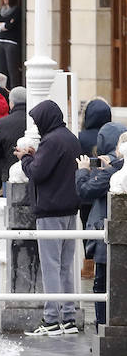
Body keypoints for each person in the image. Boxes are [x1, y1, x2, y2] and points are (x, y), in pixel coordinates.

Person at [15, 100, 83, 336]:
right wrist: (36, 155)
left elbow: (37, 172)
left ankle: (51, 319)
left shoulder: (51, 140)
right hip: (70, 210)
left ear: (45, 118)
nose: (36, 126)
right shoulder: (70, 138)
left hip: (50, 211)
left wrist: (25, 158)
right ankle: (69, 318)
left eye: (37, 121)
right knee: (65, 267)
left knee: (51, 266)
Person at [76, 123, 127, 325]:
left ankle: (102, 325)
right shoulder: (112, 168)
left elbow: (85, 191)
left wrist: (84, 171)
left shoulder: (112, 171)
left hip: (105, 232)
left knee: (102, 283)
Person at [78, 98, 116, 277]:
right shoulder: (113, 135)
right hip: (106, 190)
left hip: (87, 190)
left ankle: (88, 265)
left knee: (88, 226)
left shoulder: (81, 137)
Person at [0, 86, 28, 192]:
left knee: (9, 206)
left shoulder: (2, 123)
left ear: (11, 103)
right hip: (32, 174)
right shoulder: (34, 120)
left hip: (9, 173)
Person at [0, 0, 23, 88]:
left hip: (11, 42)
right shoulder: (1, 10)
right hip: (0, 41)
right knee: (2, 69)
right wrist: (5, 25)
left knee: (12, 69)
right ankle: (4, 90)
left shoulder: (17, 10)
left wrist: (4, 25)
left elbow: (11, 25)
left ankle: (14, 90)